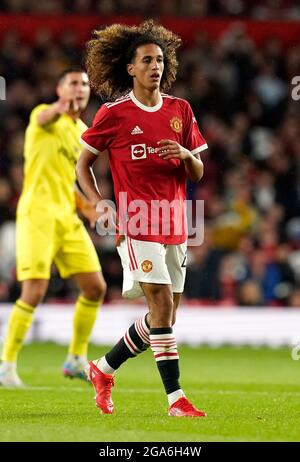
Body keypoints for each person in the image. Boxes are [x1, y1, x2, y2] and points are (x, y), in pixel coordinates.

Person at [77, 20, 208, 417]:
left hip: (175, 222)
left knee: (162, 315)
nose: (155, 65)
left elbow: (197, 171)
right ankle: (176, 399)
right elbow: (84, 166)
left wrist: (186, 156)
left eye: (160, 59)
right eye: (147, 59)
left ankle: (103, 368)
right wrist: (100, 202)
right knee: (162, 303)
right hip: (136, 221)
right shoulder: (114, 114)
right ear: (130, 68)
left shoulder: (179, 110)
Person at [0, 68, 106, 387]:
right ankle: (6, 364)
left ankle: (75, 359)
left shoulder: (83, 133)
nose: (79, 89)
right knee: (34, 291)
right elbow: (45, 116)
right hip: (37, 215)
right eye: (73, 83)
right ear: (59, 89)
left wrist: (87, 207)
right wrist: (59, 107)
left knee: (95, 287)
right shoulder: (43, 118)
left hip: (66, 218)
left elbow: (67, 180)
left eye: (85, 84)